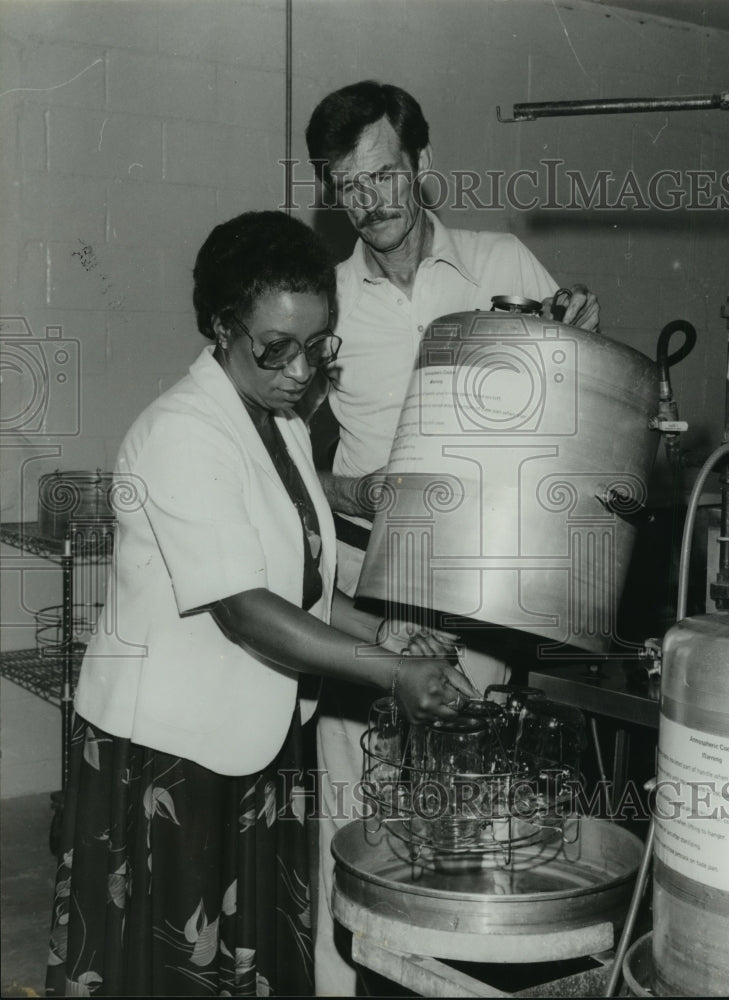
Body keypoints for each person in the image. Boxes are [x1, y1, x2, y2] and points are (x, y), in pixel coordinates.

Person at [44, 211, 474, 998]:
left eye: (317, 346)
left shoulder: (275, 422)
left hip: (254, 740)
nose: (300, 370)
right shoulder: (184, 431)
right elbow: (243, 608)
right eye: (275, 348)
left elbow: (299, 577)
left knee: (251, 958)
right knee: (173, 965)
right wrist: (388, 673)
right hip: (170, 756)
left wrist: (383, 630)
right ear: (219, 327)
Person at [303, 80, 602, 995]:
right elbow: (280, 463)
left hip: (484, 591)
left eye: (386, 176)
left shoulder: (499, 264)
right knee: (357, 815)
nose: (372, 203)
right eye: (348, 187)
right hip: (369, 588)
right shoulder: (325, 301)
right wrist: (355, 486)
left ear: (420, 167)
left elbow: (579, 411)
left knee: (483, 812)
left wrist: (582, 339)